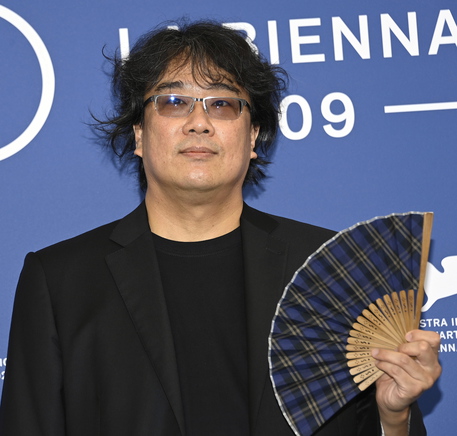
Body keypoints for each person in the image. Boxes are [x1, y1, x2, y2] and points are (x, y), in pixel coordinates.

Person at [0, 20, 441, 436]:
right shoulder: (60, 280)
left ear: (252, 138)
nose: (199, 122)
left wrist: (394, 416)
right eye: (174, 102)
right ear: (139, 135)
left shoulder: (332, 270)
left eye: (222, 104)